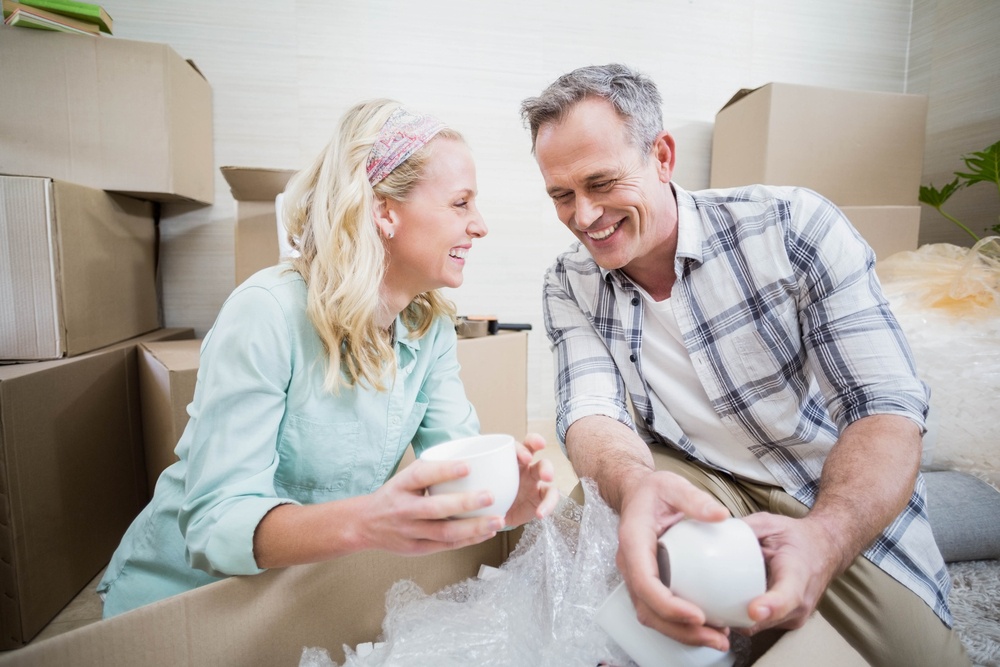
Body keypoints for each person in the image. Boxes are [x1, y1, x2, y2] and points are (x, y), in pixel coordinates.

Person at [520, 64, 970, 666]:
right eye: (561, 195)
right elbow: (590, 412)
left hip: (818, 485)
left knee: (920, 658)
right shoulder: (567, 281)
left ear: (661, 156)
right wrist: (635, 487)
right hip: (696, 479)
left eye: (601, 183)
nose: (584, 216)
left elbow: (883, 406)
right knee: (604, 522)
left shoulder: (793, 227)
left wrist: (827, 540)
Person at [99, 99, 559, 618]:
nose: (480, 226)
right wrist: (369, 520)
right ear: (385, 210)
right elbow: (216, 524)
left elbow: (457, 471)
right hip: (187, 602)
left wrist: (502, 505)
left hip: (302, 590)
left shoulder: (429, 330)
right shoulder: (266, 312)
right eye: (460, 203)